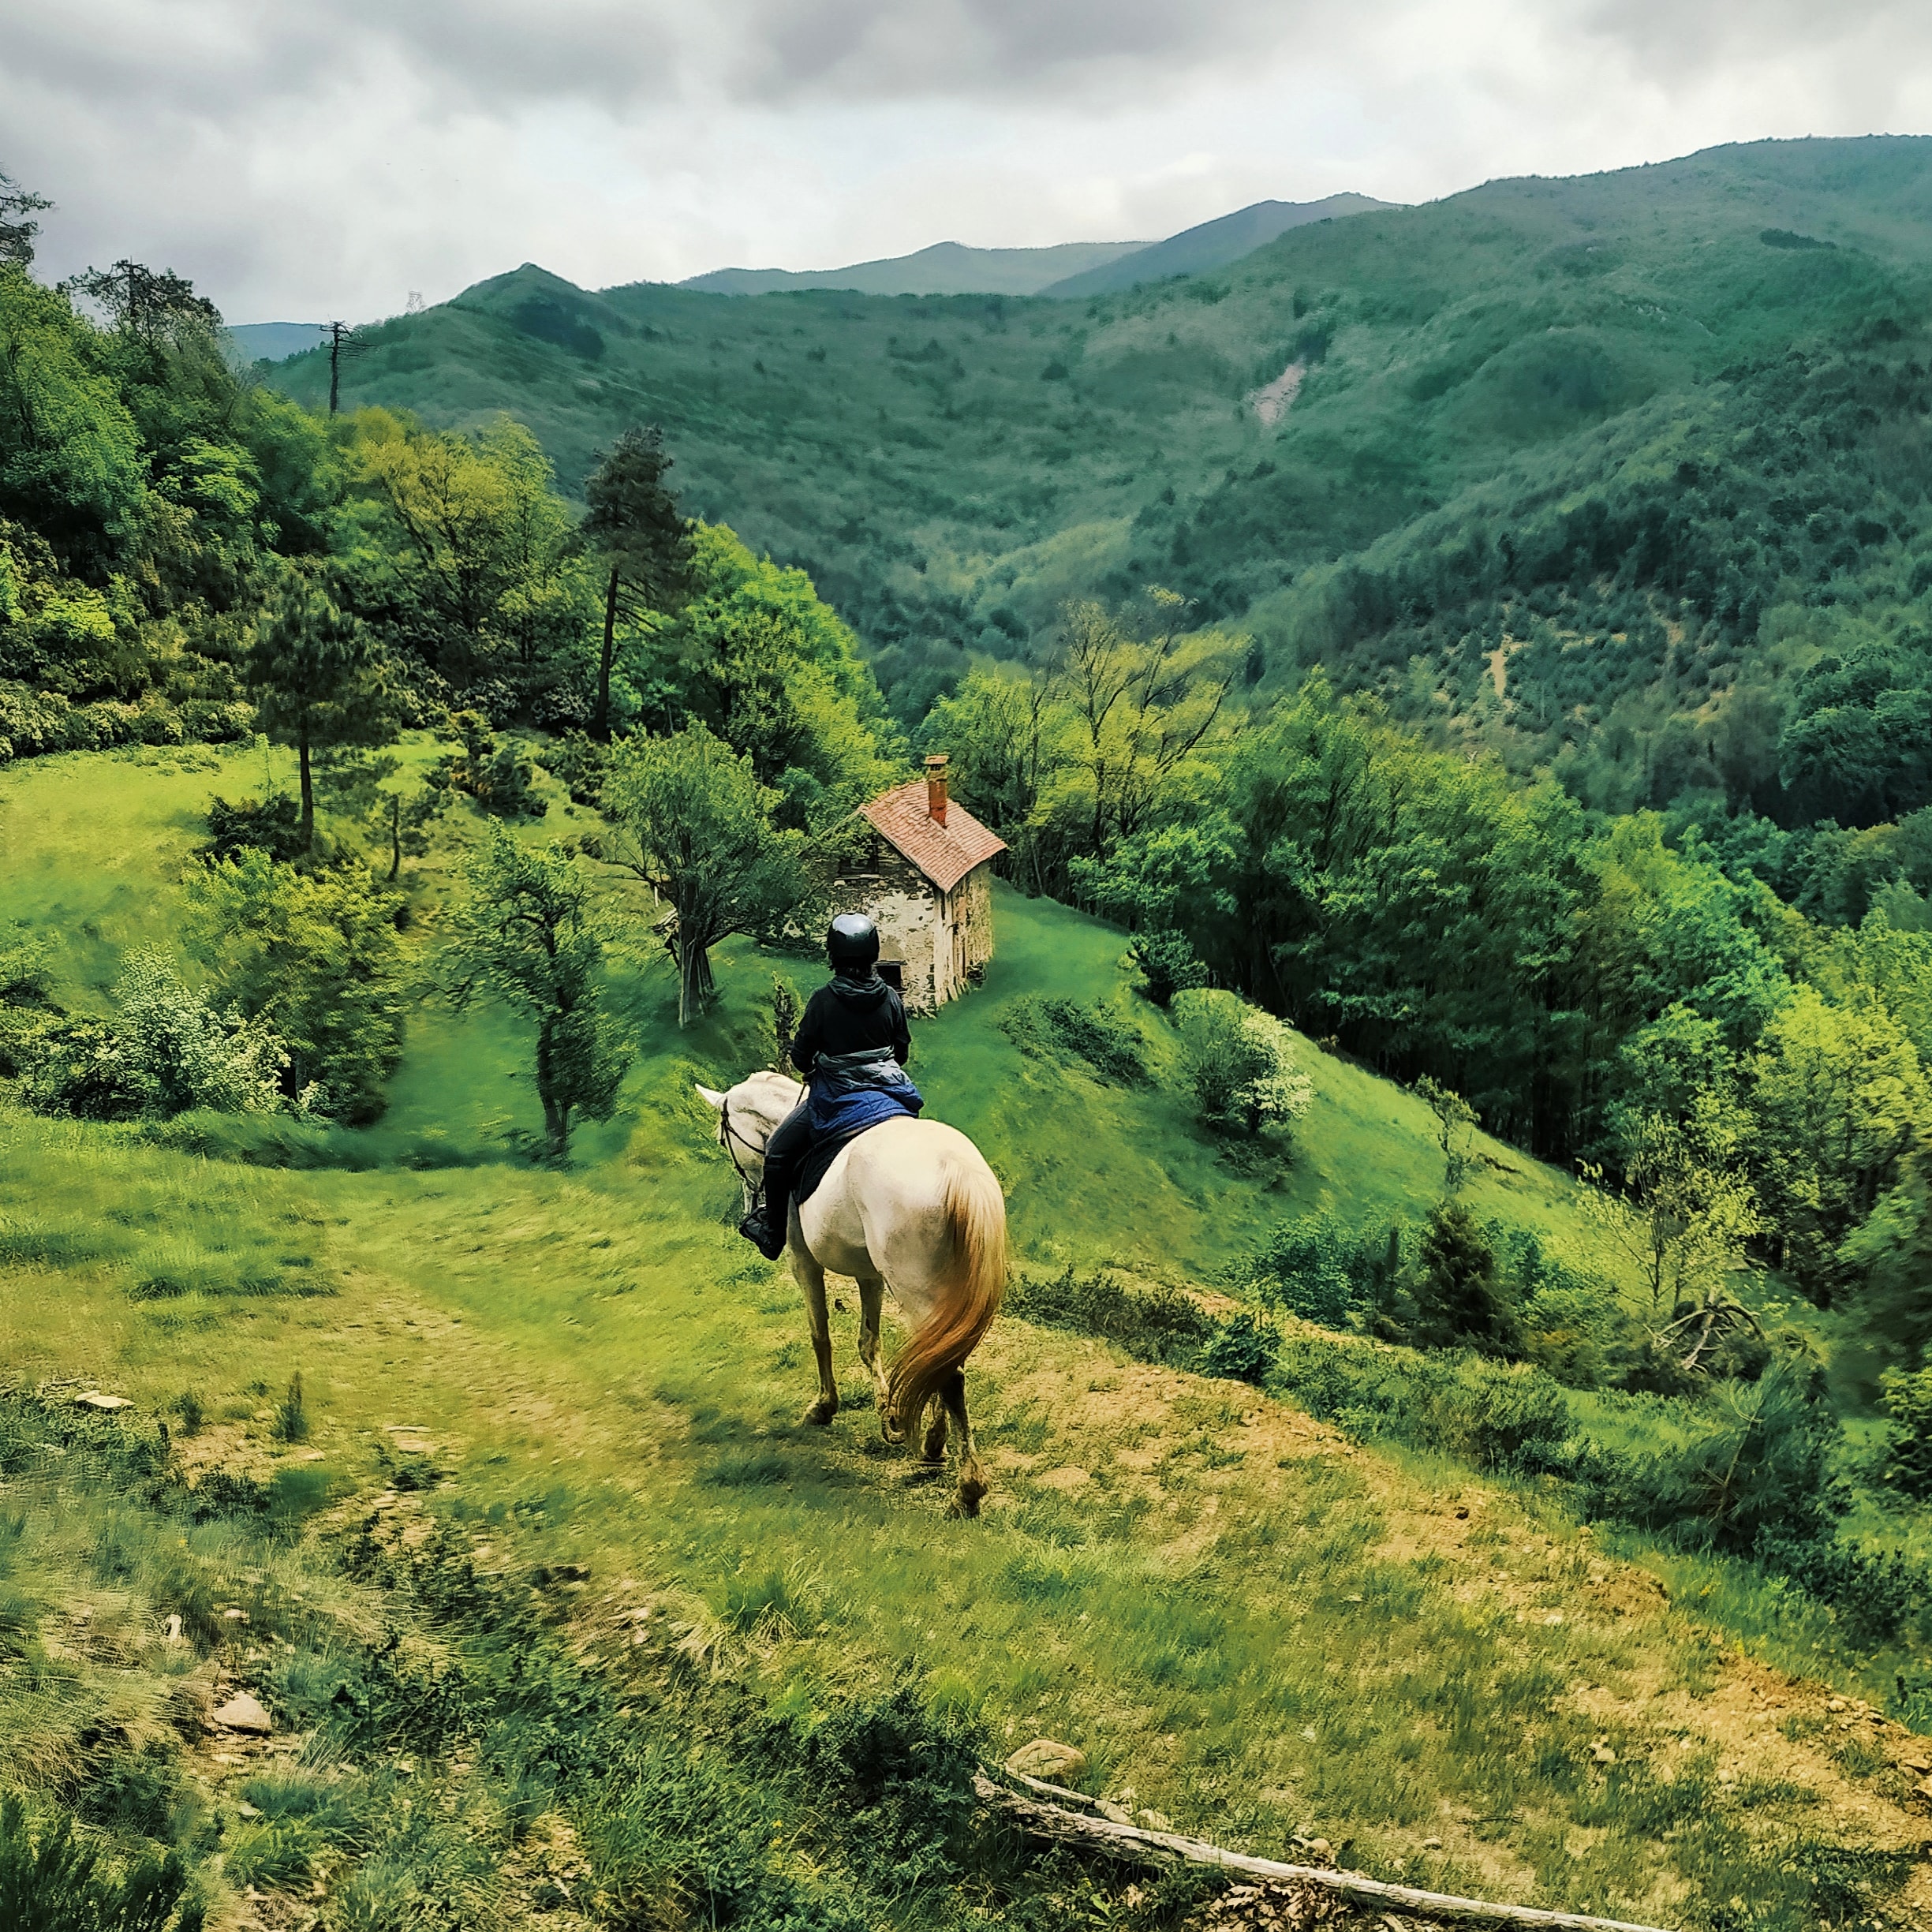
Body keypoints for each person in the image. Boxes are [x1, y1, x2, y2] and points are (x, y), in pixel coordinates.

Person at [738, 912, 920, 1260]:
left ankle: (773, 1233)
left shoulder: (823, 1000)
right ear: (873, 955)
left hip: (837, 1097)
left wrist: (822, 1063)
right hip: (887, 1097)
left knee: (777, 1152)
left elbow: (801, 1060)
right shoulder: (891, 998)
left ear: (833, 956)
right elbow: (902, 1053)